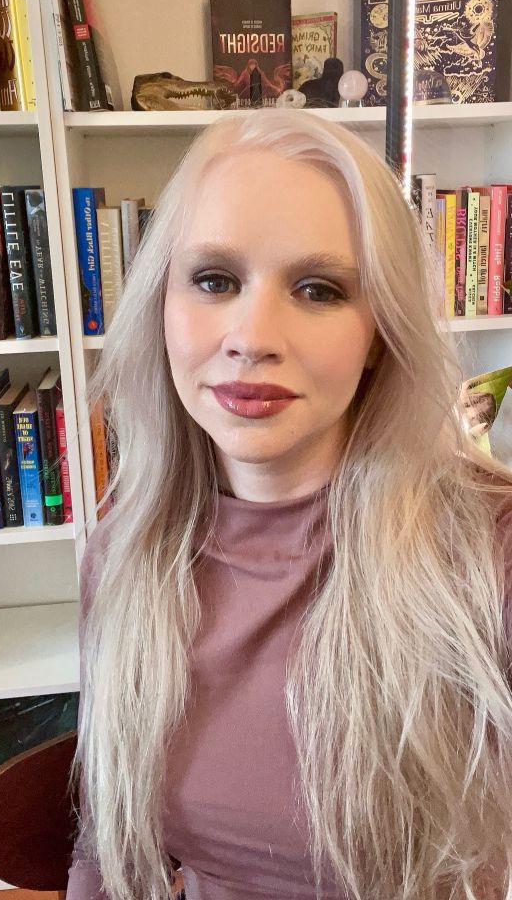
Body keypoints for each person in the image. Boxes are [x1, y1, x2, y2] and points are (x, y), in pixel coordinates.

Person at [66, 110, 512, 900]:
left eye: (318, 289)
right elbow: (107, 850)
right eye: (214, 280)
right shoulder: (125, 551)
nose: (251, 335)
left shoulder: (488, 551)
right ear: (160, 306)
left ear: (380, 331)